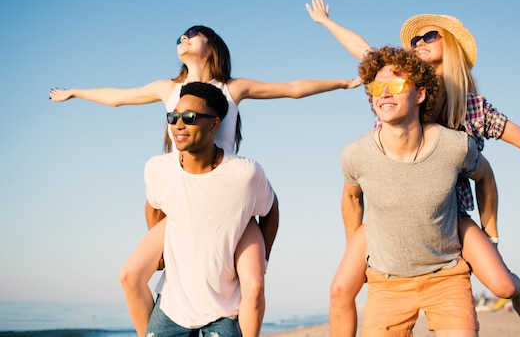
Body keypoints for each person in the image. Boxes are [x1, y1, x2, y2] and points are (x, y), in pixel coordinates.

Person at [306, 0, 520, 335]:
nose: (419, 43)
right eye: (414, 40)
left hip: (448, 214)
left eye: (429, 36)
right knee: (340, 289)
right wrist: (326, 22)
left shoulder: (471, 108)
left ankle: (516, 289)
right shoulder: (395, 83)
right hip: (389, 212)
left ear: (450, 46)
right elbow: (363, 51)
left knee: (500, 284)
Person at [50, 24, 360, 337]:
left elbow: (293, 88)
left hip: (229, 199)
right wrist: (76, 92)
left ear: (211, 44)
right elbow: (118, 97)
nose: (182, 38)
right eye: (179, 37)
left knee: (253, 285)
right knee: (131, 275)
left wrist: (345, 83)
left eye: (192, 34)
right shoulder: (167, 88)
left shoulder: (232, 88)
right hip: (184, 198)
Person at [343, 46, 487, 336]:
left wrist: (491, 231)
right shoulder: (356, 154)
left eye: (396, 85)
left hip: (446, 276)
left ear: (420, 94)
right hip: (387, 283)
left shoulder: (455, 146)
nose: (384, 93)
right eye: (376, 87)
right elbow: (350, 197)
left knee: (504, 286)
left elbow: (486, 176)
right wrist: (356, 250)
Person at [142, 81, 279, 337]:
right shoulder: (157, 169)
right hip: (172, 307)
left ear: (214, 125)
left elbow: (271, 209)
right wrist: (160, 250)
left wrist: (263, 258)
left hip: (224, 309)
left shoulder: (244, 174)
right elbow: (152, 205)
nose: (178, 124)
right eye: (173, 117)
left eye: (189, 117)